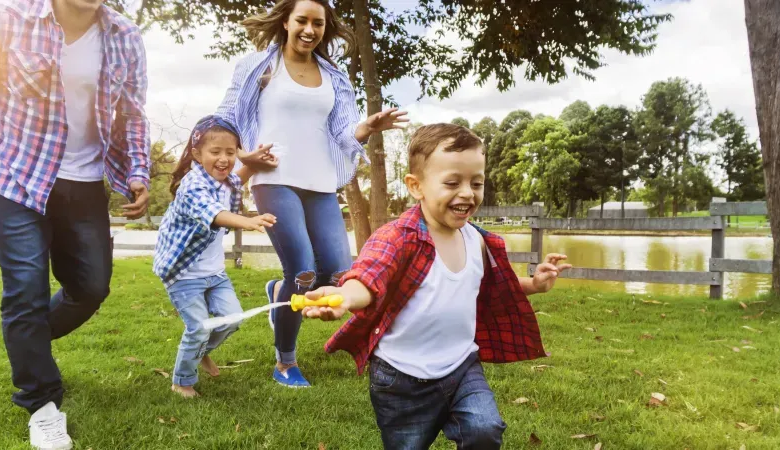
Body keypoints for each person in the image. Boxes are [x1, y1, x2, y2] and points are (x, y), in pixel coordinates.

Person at [0, 0, 151, 448]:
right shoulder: (3, 14)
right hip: (16, 174)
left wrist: (137, 170)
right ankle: (41, 400)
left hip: (83, 181)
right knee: (25, 288)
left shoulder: (125, 35)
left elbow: (132, 113)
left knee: (92, 287)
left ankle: (26, 341)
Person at [301, 123, 572, 449]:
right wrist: (345, 295)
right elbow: (370, 276)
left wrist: (534, 284)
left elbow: (491, 282)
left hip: (461, 367)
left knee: (484, 430)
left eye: (477, 182)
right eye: (452, 183)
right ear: (417, 186)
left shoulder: (477, 240)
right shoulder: (398, 237)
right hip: (400, 379)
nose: (468, 193)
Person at [216, 0, 408, 387]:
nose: (309, 29)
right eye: (301, 20)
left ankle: (279, 292)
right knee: (302, 272)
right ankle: (285, 362)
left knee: (338, 275)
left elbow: (340, 133)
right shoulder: (258, 67)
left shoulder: (334, 76)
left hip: (320, 180)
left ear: (325, 28)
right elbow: (226, 119)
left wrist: (366, 127)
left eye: (317, 23)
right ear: (286, 22)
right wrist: (242, 156)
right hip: (274, 177)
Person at [153, 115, 278, 399]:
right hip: (183, 274)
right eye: (215, 152)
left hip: (214, 273)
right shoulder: (193, 185)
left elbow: (238, 176)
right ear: (197, 154)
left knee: (232, 319)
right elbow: (214, 214)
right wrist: (248, 221)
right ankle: (182, 381)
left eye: (230, 152)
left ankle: (200, 351)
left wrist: (253, 162)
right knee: (197, 327)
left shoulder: (224, 180)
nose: (223, 159)